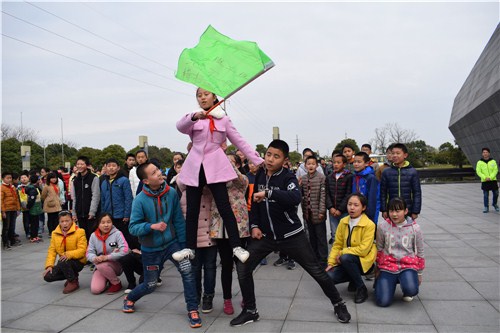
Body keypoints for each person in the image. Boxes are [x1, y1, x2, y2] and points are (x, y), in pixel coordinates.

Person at [232, 140, 351, 326]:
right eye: (268, 154)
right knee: (243, 266)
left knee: (316, 271)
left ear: (285, 160)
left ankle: (338, 304)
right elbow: (255, 202)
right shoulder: (260, 174)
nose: (270, 159)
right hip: (266, 237)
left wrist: (270, 193)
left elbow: (295, 198)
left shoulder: (288, 177)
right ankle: (250, 310)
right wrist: (254, 225)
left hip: (292, 236)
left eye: (276, 156)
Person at [174, 87, 264, 264]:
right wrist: (194, 117)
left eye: (206, 94)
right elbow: (179, 126)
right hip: (195, 166)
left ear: (214, 96)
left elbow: (239, 141)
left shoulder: (223, 119)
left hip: (215, 166)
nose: (202, 98)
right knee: (192, 208)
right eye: (199, 96)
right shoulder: (194, 117)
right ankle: (189, 247)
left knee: (224, 206)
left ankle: (237, 246)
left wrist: (257, 160)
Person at [123, 162, 202, 328]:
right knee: (150, 285)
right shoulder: (139, 200)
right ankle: (130, 298)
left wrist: (184, 245)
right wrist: (151, 226)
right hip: (151, 249)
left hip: (172, 244)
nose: (158, 173)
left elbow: (178, 220)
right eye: (153, 173)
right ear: (145, 181)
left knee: (187, 271)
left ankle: (192, 309)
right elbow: (132, 227)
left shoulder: (171, 192)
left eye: (158, 170)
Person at [210, 153, 250, 315]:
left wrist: (229, 166)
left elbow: (241, 182)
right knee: (226, 266)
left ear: (238, 165)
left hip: (239, 228)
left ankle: (246, 296)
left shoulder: (242, 180)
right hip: (221, 228)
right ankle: (227, 299)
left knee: (243, 266)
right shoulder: (215, 181)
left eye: (232, 162)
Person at [326, 193, 377, 304]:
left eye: (356, 205)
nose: (352, 208)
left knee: (345, 258)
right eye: (350, 204)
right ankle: (354, 278)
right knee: (328, 277)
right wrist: (331, 263)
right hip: (346, 260)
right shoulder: (343, 221)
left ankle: (361, 288)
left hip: (364, 262)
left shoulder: (369, 224)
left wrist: (343, 252)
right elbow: (337, 244)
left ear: (363, 207)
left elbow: (363, 250)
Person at [375, 197, 425, 306]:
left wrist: (419, 273)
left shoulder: (415, 229)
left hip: (408, 266)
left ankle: (406, 285)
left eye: (398, 211)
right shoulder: (383, 227)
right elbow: (379, 248)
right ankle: (388, 283)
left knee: (412, 289)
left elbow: (420, 252)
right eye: (391, 211)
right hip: (388, 266)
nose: (394, 214)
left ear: (405, 211)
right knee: (382, 302)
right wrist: (377, 268)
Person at [178, 177, 216, 314]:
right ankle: (196, 294)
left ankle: (208, 296)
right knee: (195, 268)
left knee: (210, 267)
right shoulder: (185, 190)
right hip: (193, 238)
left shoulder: (212, 190)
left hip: (211, 235)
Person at [43, 210, 87, 293]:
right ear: (59, 222)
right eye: (62, 221)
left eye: (67, 221)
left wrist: (68, 254)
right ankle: (72, 276)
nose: (65, 223)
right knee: (47, 276)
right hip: (64, 262)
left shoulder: (80, 231)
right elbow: (52, 250)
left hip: (77, 261)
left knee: (63, 261)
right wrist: (49, 265)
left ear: (72, 220)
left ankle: (73, 282)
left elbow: (82, 250)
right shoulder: (54, 233)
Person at [86, 213, 129, 294]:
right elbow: (89, 253)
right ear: (98, 224)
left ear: (112, 223)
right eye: (102, 223)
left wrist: (107, 257)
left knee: (102, 265)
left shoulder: (117, 234)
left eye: (108, 222)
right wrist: (94, 258)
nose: (106, 225)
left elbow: (125, 250)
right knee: (95, 290)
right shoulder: (93, 236)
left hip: (116, 265)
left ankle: (116, 283)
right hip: (100, 265)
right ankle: (107, 278)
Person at [380, 143, 422, 221]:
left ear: (405, 155)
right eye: (393, 153)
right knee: (391, 232)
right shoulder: (386, 172)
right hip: (392, 211)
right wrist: (384, 210)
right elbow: (383, 193)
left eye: (398, 153)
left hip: (407, 210)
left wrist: (415, 211)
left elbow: (417, 193)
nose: (394, 155)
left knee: (407, 231)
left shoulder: (412, 172)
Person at [300, 155, 328, 268]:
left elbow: (323, 196)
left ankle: (323, 260)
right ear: (305, 165)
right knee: (311, 237)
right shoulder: (304, 178)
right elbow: (302, 195)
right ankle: (314, 258)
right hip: (308, 213)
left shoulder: (321, 177)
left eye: (313, 164)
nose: (311, 166)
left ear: (317, 165)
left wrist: (322, 211)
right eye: (308, 164)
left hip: (318, 213)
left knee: (321, 238)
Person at [100, 158, 134, 239]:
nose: (111, 168)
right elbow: (103, 200)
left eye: (113, 166)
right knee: (111, 238)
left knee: (123, 237)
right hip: (109, 216)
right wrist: (103, 215)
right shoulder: (104, 182)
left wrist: (127, 214)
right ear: (106, 167)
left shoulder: (124, 180)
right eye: (109, 166)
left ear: (118, 168)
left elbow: (128, 198)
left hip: (121, 216)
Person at [71, 156, 101, 242]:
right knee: (83, 235)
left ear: (87, 165)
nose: (79, 166)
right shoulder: (75, 180)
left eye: (82, 164)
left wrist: (92, 211)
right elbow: (75, 198)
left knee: (92, 235)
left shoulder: (93, 178)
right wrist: (74, 212)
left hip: (91, 214)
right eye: (78, 164)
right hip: (80, 213)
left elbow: (95, 195)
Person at [325, 154, 353, 244]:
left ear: (344, 164)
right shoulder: (329, 177)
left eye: (338, 162)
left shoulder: (349, 177)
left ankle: (344, 256)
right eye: (334, 162)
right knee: (334, 235)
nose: (335, 165)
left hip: (344, 211)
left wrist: (340, 209)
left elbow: (348, 194)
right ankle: (334, 256)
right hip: (332, 212)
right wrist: (330, 207)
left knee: (345, 235)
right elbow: (326, 194)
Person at [352, 152, 380, 224]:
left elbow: (373, 199)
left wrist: (370, 215)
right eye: (354, 161)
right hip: (355, 211)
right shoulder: (354, 176)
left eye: (359, 162)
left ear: (366, 163)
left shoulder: (371, 178)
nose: (356, 164)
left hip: (367, 213)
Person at [475, 147, 499, 213]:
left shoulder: (493, 161)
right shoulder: (479, 162)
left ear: (489, 153)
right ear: (482, 154)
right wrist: (485, 177)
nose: (485, 154)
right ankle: (486, 207)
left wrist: (490, 177)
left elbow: (495, 170)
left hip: (493, 180)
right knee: (485, 194)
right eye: (484, 152)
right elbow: (478, 171)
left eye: (486, 152)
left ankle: (494, 204)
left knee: (496, 193)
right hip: (485, 180)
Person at [1, 171, 21, 250]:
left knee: (12, 226)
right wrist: (3, 211)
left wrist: (18, 208)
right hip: (6, 210)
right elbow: (1, 200)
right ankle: (5, 243)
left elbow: (16, 198)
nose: (9, 180)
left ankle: (12, 241)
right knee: (6, 227)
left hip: (13, 209)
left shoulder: (12, 187)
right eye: (7, 178)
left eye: (10, 178)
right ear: (3, 178)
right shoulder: (2, 188)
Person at [42, 172, 63, 236]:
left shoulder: (57, 186)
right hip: (50, 205)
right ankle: (51, 231)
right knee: (50, 218)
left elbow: (58, 194)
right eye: (52, 178)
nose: (54, 179)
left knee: (56, 219)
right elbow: (43, 195)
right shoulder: (46, 186)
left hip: (56, 203)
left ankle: (56, 230)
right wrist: (48, 200)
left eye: (55, 178)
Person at [26, 175, 44, 243]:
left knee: (36, 222)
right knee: (34, 223)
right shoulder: (32, 189)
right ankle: (33, 236)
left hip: (36, 207)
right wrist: (29, 206)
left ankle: (35, 236)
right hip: (34, 207)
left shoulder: (35, 187)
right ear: (37, 181)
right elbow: (32, 199)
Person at [17, 172, 31, 239]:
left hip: (32, 206)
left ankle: (33, 232)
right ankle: (27, 232)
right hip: (24, 206)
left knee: (33, 220)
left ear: (28, 178)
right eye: (22, 178)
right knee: (26, 220)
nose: (23, 179)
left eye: (25, 177)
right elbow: (19, 197)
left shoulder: (31, 186)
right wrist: (23, 204)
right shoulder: (19, 188)